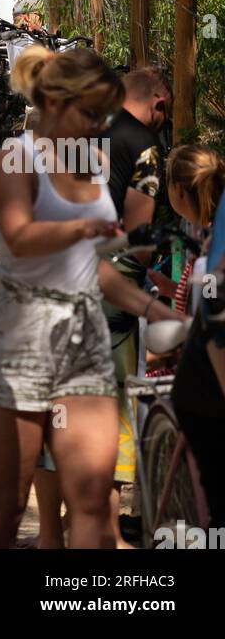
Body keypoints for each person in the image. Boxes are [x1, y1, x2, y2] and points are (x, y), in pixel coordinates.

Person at [0, 45, 181, 550]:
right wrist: (85, 226)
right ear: (55, 102)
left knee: (92, 504)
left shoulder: (91, 164)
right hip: (16, 335)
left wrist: (157, 309)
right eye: (89, 113)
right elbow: (19, 235)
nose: (97, 125)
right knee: (5, 511)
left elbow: (95, 268)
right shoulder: (15, 158)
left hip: (83, 337)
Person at [171, 146, 225, 526]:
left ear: (178, 193)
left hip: (206, 386)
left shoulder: (208, 248)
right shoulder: (207, 246)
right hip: (205, 387)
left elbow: (212, 314)